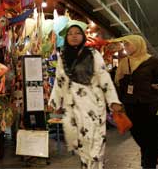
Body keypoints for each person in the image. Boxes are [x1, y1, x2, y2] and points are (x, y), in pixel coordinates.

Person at [49, 20, 123, 169]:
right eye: (70, 34)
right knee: (83, 145)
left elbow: (104, 77)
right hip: (74, 107)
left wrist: (113, 101)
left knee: (96, 144)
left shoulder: (93, 54)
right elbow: (59, 81)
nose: (74, 36)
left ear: (83, 36)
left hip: (94, 106)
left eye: (77, 33)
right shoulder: (63, 57)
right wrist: (54, 103)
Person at [114, 35, 158, 169]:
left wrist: (156, 84)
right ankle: (148, 156)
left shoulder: (152, 61)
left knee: (154, 135)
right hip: (131, 105)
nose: (126, 47)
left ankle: (148, 163)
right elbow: (118, 83)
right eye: (125, 44)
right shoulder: (123, 63)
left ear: (138, 44)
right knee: (137, 134)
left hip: (151, 104)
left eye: (128, 44)